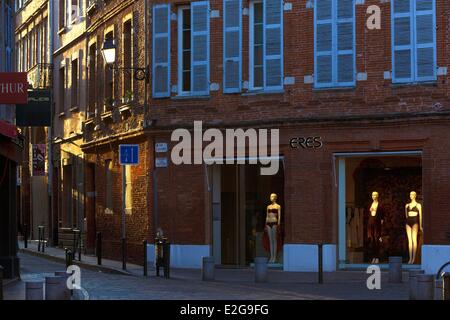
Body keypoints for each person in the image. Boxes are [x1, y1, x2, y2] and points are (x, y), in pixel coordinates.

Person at [405, 191, 422, 264]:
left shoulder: (418, 205)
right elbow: (406, 216)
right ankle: (410, 258)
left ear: (415, 195)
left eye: (412, 194)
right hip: (408, 222)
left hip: (415, 221)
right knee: (409, 241)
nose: (411, 195)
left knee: (414, 240)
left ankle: (414, 258)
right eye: (410, 194)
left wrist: (420, 226)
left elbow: (420, 216)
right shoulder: (407, 205)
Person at [367, 191, 383, 264]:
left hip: (377, 223)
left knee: (377, 239)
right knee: (372, 240)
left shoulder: (379, 205)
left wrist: (381, 222)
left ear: (377, 196)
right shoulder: (371, 204)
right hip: (371, 222)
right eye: (372, 195)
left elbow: (382, 215)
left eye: (375, 195)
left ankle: (377, 257)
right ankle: (373, 256)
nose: (373, 196)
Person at [265, 193, 281, 263]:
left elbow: (279, 216)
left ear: (275, 198)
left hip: (274, 222)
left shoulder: (278, 206)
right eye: (270, 196)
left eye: (272, 196)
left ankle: (275, 257)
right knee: (270, 240)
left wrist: (278, 224)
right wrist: (265, 224)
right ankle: (271, 257)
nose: (271, 198)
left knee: (274, 240)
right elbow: (267, 216)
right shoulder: (268, 207)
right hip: (268, 223)